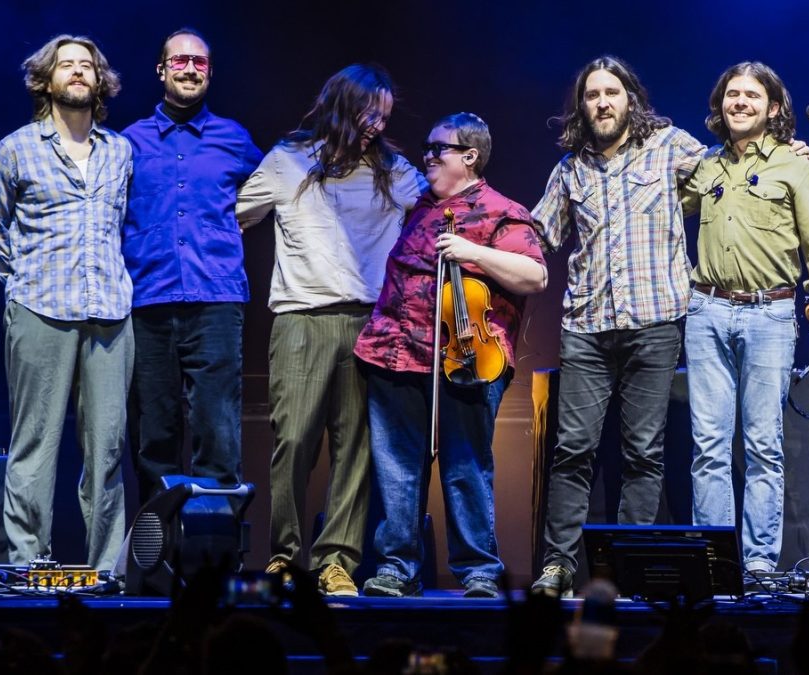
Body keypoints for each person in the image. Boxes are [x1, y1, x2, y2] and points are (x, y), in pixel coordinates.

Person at [236, 64, 427, 596]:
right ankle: (285, 556)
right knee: (293, 439)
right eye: (370, 112)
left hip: (370, 321)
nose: (376, 125)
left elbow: (448, 200)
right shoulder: (287, 161)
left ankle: (336, 560)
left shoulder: (394, 169)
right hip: (301, 318)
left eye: (384, 116)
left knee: (356, 446)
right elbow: (229, 216)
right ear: (341, 104)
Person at [528, 56, 706, 596]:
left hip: (655, 322)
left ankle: (628, 567)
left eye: (612, 92)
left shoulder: (670, 145)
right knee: (573, 449)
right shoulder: (570, 170)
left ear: (631, 97)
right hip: (587, 326)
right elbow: (537, 236)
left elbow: (730, 171)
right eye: (591, 95)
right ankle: (558, 566)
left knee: (642, 452)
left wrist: (783, 150)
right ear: (581, 106)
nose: (602, 102)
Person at [355, 113, 547, 598]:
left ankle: (479, 570)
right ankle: (397, 567)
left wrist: (472, 251)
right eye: (427, 147)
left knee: (466, 465)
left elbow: (533, 276)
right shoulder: (415, 205)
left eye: (439, 148)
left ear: (470, 157)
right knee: (397, 469)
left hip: (465, 357)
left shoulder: (501, 211)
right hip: (395, 352)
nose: (428, 156)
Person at [681, 61, 809, 574]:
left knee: (762, 447)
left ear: (773, 107)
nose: (740, 103)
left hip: (770, 314)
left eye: (751, 95)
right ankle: (714, 561)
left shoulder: (797, 165)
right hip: (705, 311)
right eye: (732, 94)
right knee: (708, 446)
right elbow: (656, 210)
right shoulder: (704, 166)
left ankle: (757, 565)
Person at [0, 34, 133, 571]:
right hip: (41, 309)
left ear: (100, 80)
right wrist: (23, 281)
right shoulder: (16, 148)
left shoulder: (120, 152)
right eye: (65, 65)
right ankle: (28, 562)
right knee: (35, 446)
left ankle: (107, 569)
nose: (77, 72)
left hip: (110, 313)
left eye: (86, 66)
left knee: (107, 450)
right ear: (46, 81)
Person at [121, 28, 263, 503]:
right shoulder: (128, 143)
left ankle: (212, 557)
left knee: (217, 431)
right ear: (161, 70)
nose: (189, 69)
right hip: (148, 300)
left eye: (199, 63)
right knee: (154, 433)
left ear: (209, 73)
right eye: (179, 61)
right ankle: (155, 557)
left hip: (216, 301)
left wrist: (240, 218)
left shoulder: (234, 139)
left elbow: (276, 190)